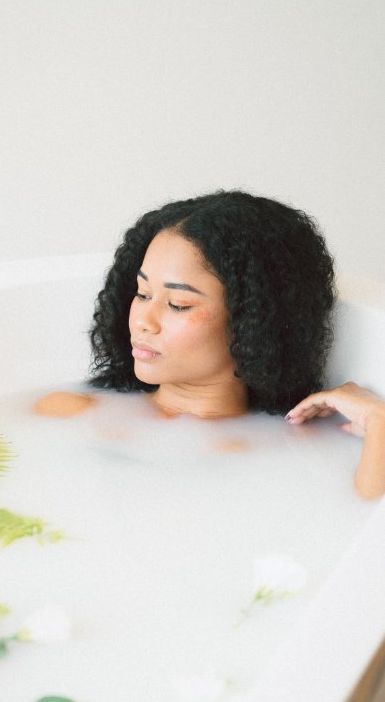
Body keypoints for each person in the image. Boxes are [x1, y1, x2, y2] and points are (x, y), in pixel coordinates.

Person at [38, 191, 385, 499]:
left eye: (178, 304)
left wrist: (379, 418)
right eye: (142, 294)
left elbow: (366, 532)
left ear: (252, 321)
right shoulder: (67, 412)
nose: (143, 320)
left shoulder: (296, 451)